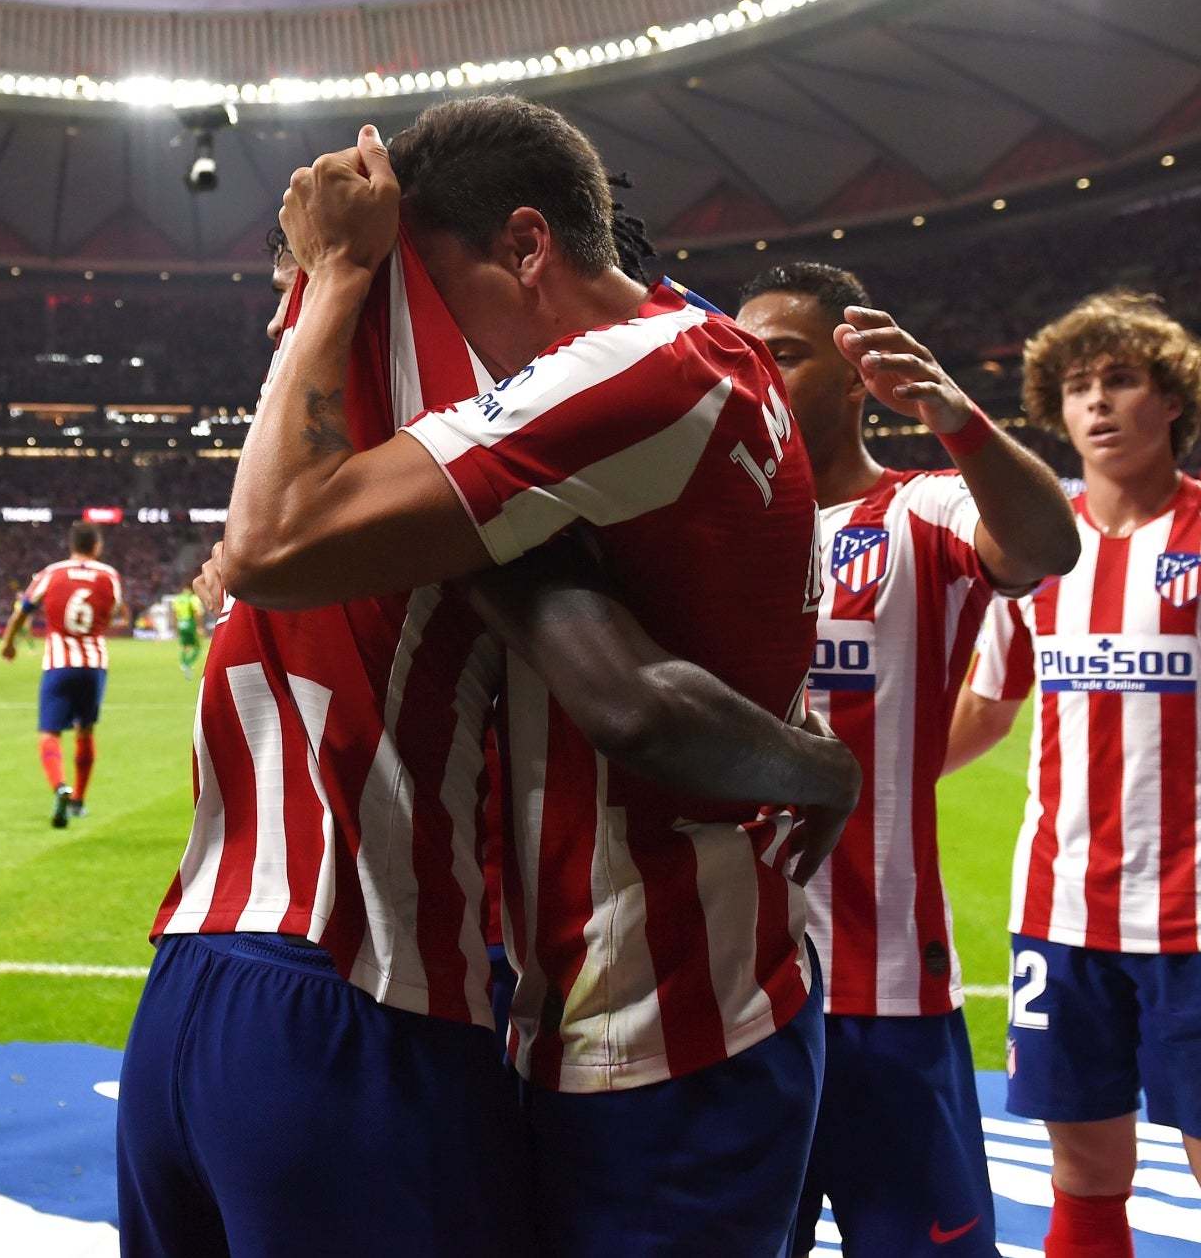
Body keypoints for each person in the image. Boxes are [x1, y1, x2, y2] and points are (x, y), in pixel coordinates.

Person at [123, 97, 851, 1258]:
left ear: (526, 247)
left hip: (659, 1021)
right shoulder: (683, 359)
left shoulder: (641, 375)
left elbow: (626, 694)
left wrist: (823, 766)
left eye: (420, 290)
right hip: (557, 998)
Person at [736, 262, 1079, 1256]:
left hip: (888, 993)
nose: (761, 376)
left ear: (854, 375)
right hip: (739, 994)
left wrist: (949, 408)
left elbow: (1048, 543)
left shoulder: (924, 510)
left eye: (786, 355)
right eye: (746, 357)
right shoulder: (710, 539)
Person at [954, 290, 1201, 1258]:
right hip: (1058, 913)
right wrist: (873, 765)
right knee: (1082, 1179)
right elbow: (986, 705)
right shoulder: (1034, 552)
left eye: (1120, 379)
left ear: (1171, 399)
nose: (1096, 403)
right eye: (1079, 386)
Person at [0, 521, 126, 827]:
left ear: (71, 545)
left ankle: (60, 787)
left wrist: (9, 644)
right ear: (96, 546)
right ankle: (79, 800)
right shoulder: (109, 575)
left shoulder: (51, 573)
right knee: (85, 731)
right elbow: (115, 612)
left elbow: (24, 609)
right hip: (94, 665)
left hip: (59, 663)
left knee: (50, 733)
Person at [168, 584, 206, 677]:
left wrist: (175, 625)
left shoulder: (177, 599)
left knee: (185, 646)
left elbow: (174, 613)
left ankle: (183, 663)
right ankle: (188, 663)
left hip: (181, 624)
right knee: (197, 647)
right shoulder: (193, 599)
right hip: (190, 624)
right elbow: (197, 613)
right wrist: (199, 627)